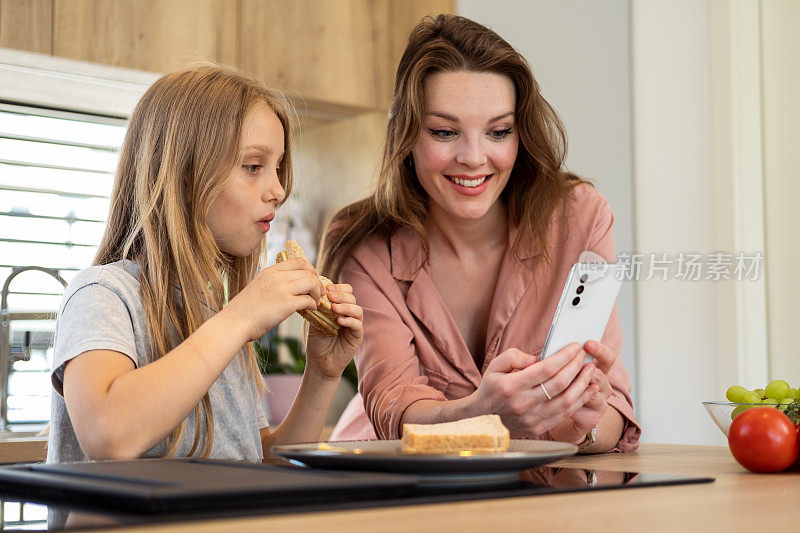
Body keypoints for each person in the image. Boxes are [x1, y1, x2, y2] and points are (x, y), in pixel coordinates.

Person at [319, 15, 640, 452]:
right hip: (399, 488)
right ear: (407, 135)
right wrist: (485, 414)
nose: (474, 158)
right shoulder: (363, 243)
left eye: (498, 131)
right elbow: (392, 408)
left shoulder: (579, 218)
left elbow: (612, 411)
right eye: (444, 132)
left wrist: (579, 425)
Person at [47, 65, 364, 463]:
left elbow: (263, 465)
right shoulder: (103, 296)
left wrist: (322, 374)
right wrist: (240, 317)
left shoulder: (214, 317)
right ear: (185, 175)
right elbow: (107, 435)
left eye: (279, 167)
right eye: (253, 167)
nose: (279, 190)